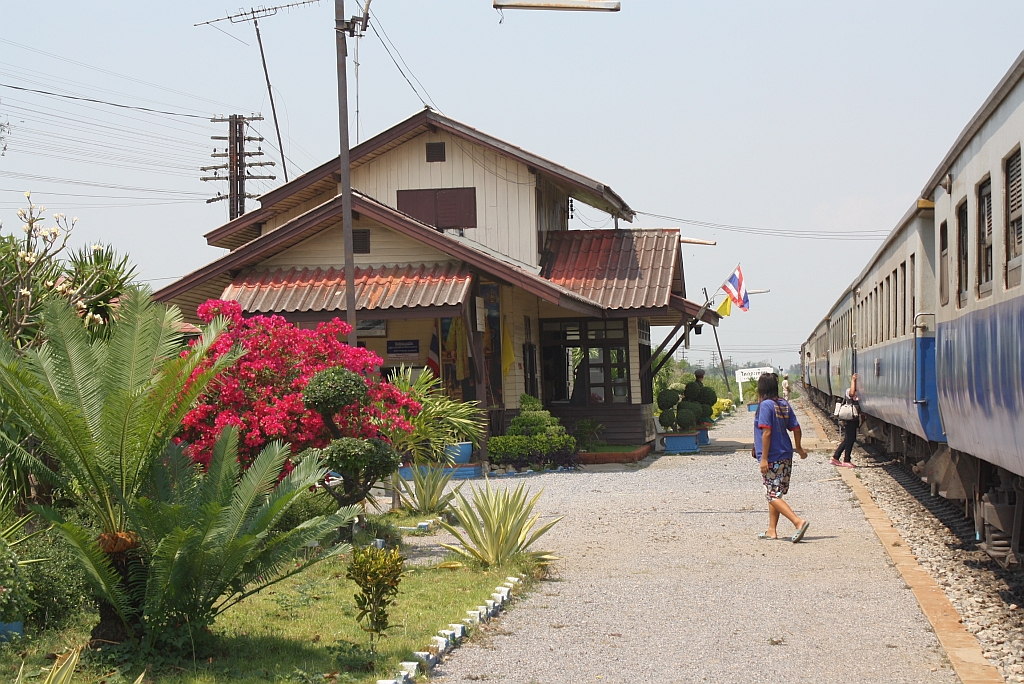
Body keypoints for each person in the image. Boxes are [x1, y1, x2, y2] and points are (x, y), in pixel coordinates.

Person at [752, 373, 810, 542]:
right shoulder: (783, 404)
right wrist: (798, 447)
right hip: (786, 454)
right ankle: (772, 530)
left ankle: (798, 522)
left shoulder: (765, 406)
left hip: (772, 457)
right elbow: (796, 428)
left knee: (772, 495)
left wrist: (763, 458)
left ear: (761, 388)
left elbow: (767, 431)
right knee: (775, 493)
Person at [831, 373, 861, 468]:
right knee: (849, 439)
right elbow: (851, 393)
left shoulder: (858, 393)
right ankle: (843, 459)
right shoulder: (849, 391)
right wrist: (853, 380)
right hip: (849, 419)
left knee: (849, 439)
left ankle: (838, 458)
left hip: (853, 419)